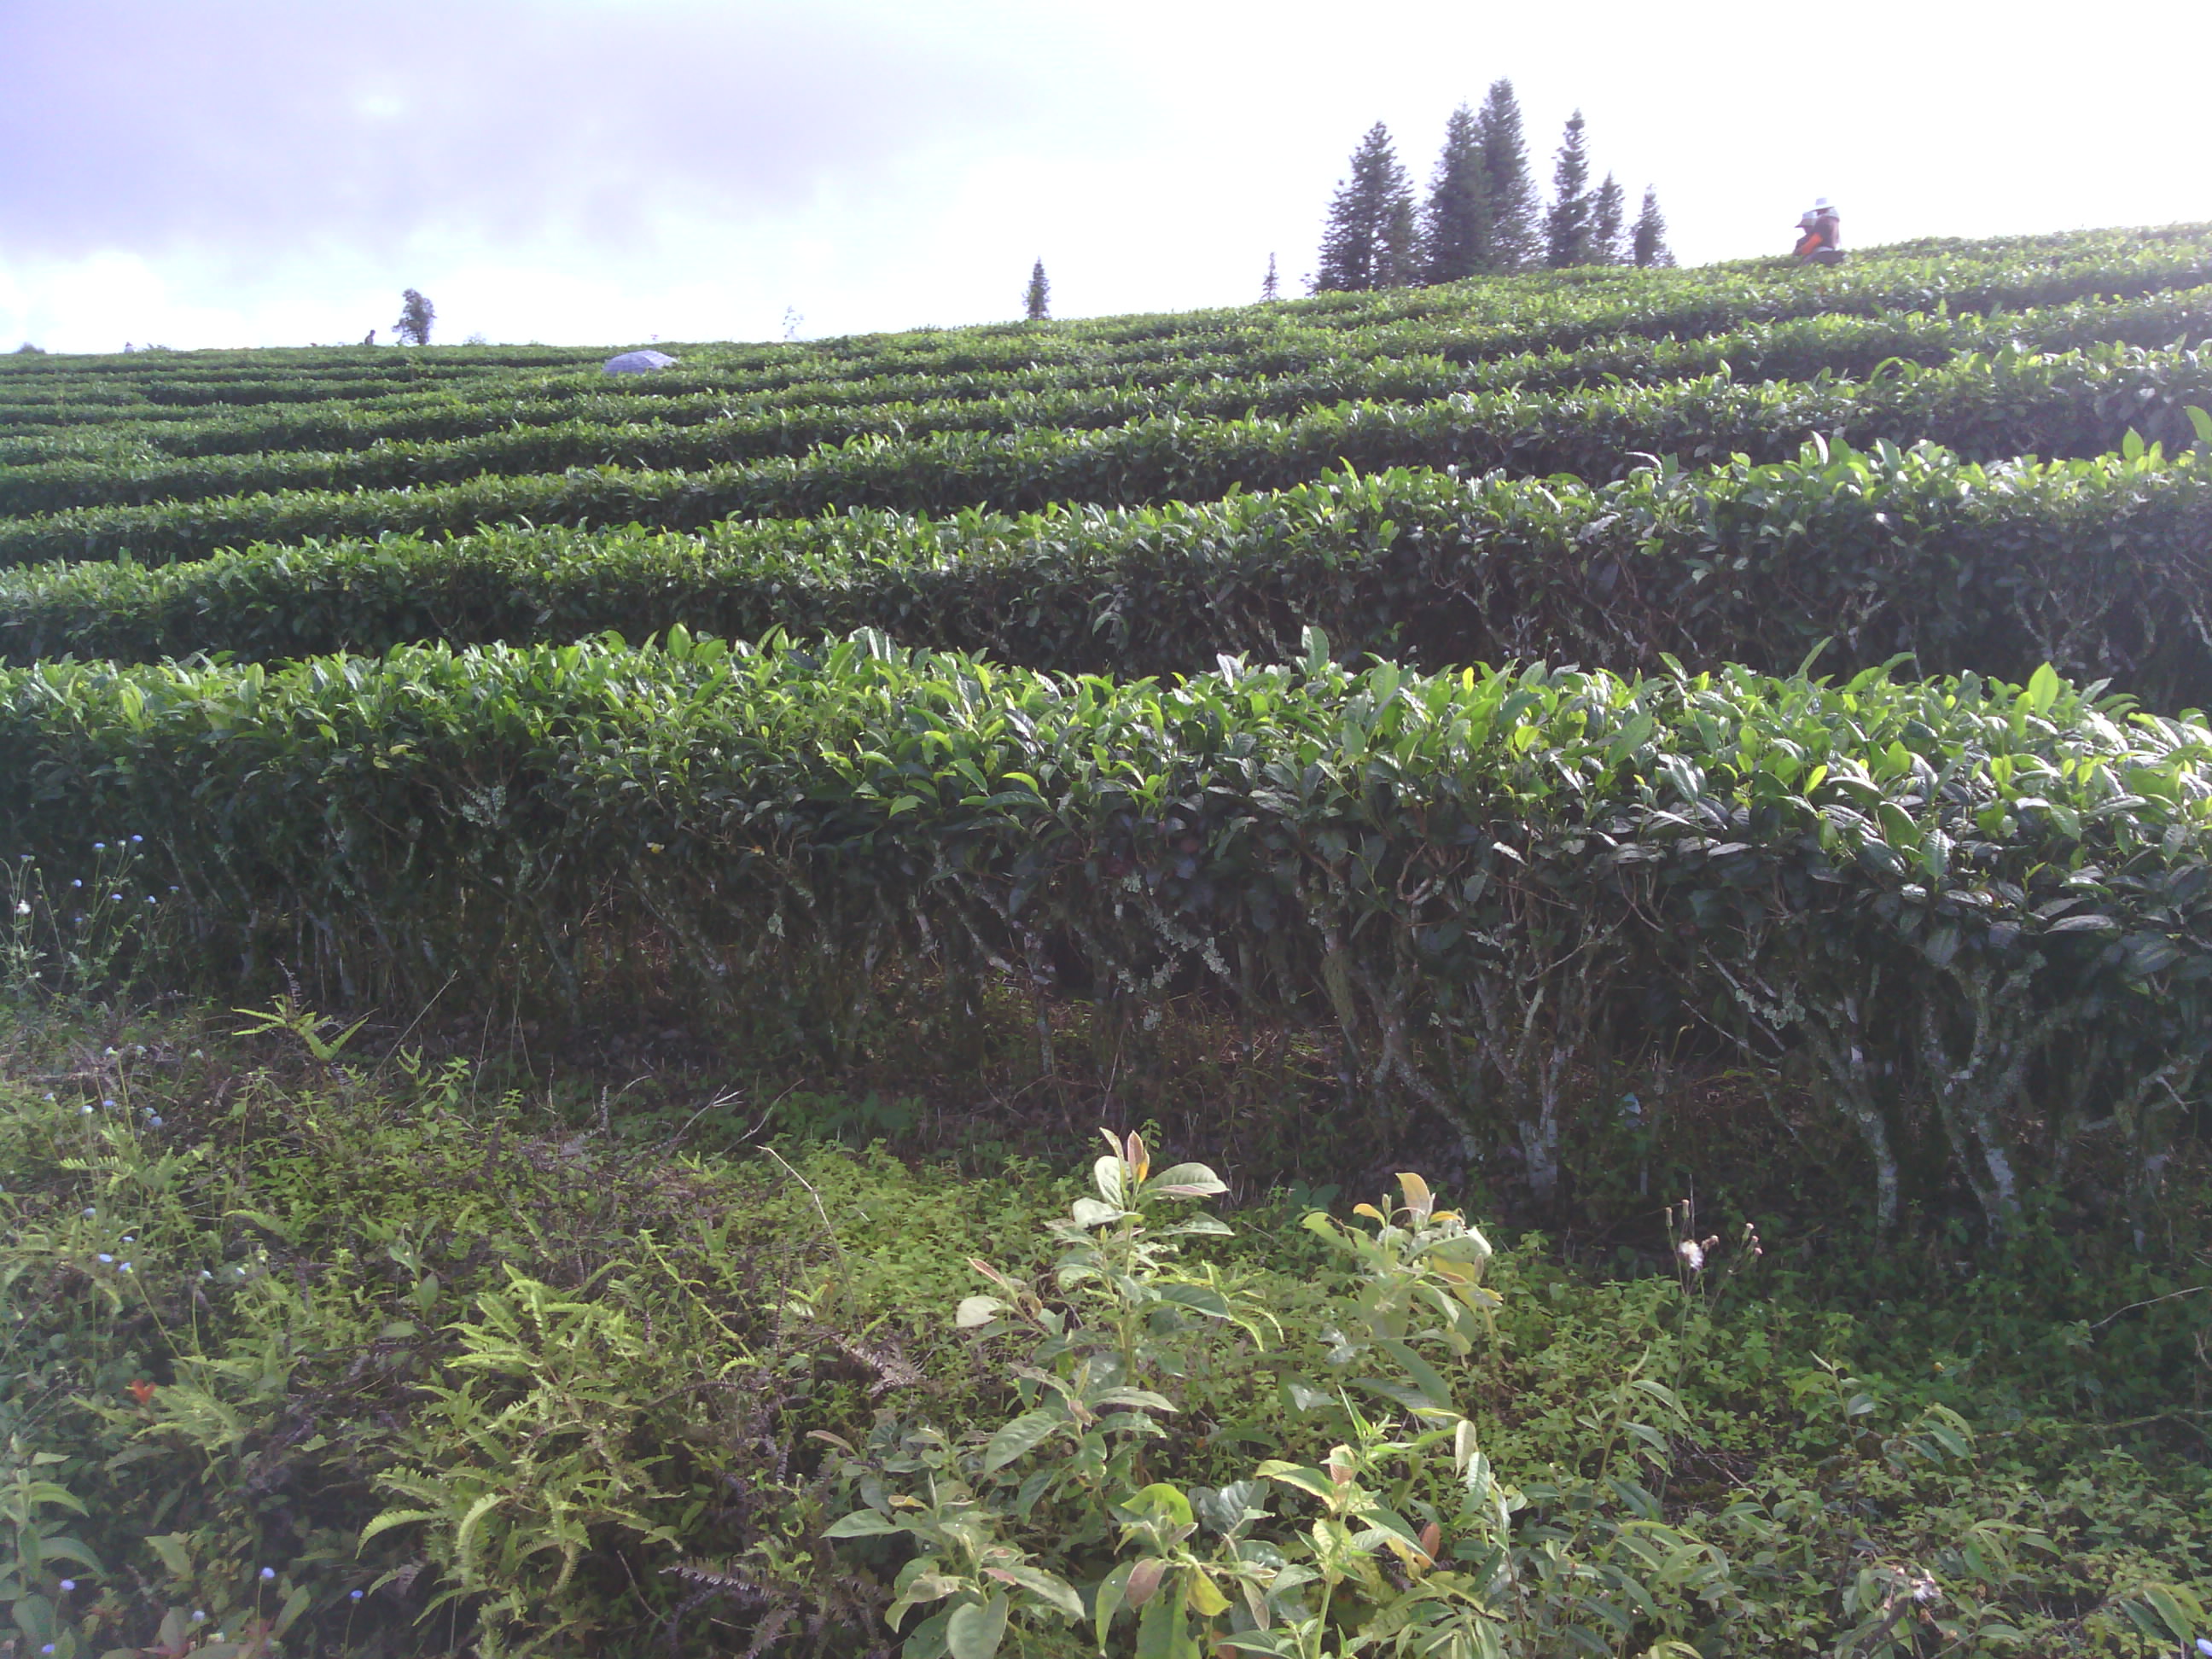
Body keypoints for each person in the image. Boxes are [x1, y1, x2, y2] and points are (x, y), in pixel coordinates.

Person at [1794, 198, 1844, 265]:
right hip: (1832, 254)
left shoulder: (1824, 221)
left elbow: (1816, 240)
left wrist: (1800, 251)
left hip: (1822, 256)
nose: (1817, 212)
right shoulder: (1834, 221)